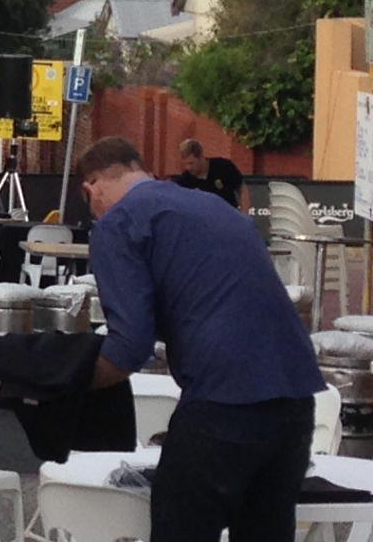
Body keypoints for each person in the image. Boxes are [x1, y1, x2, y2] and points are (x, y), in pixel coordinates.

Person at [80, 136, 322, 542]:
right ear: (143, 169)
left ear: (92, 189)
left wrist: (67, 377)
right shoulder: (213, 206)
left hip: (223, 401)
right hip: (295, 396)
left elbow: (128, 348)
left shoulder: (118, 223)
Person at [173, 138, 245, 208]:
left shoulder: (223, 166)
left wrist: (245, 216)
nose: (188, 167)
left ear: (201, 157)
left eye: (191, 163)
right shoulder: (185, 180)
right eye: (185, 164)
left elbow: (242, 189)